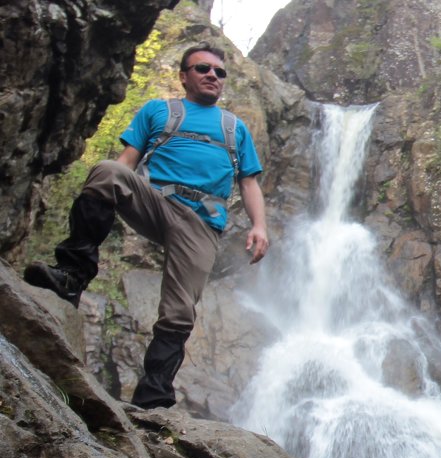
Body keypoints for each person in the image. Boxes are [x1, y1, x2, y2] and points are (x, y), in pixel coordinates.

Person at [24, 42, 269, 409]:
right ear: (184, 76)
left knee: (180, 309)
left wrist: (259, 226)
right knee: (108, 172)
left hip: (202, 222)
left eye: (219, 72)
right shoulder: (158, 111)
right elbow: (126, 162)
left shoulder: (235, 128)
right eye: (203, 69)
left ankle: (154, 396)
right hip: (156, 202)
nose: (212, 76)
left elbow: (249, 182)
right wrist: (113, 181)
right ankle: (72, 275)